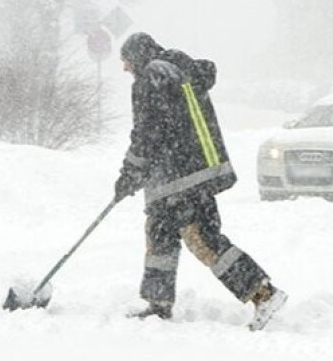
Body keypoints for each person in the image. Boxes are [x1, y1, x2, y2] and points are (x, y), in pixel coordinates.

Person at [113, 32, 287, 330]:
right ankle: (158, 304)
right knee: (160, 234)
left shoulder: (153, 77)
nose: (125, 69)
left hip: (180, 176)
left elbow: (147, 132)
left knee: (201, 238)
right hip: (186, 173)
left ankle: (263, 293)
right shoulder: (180, 70)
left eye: (126, 62)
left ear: (137, 57)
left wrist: (129, 173)